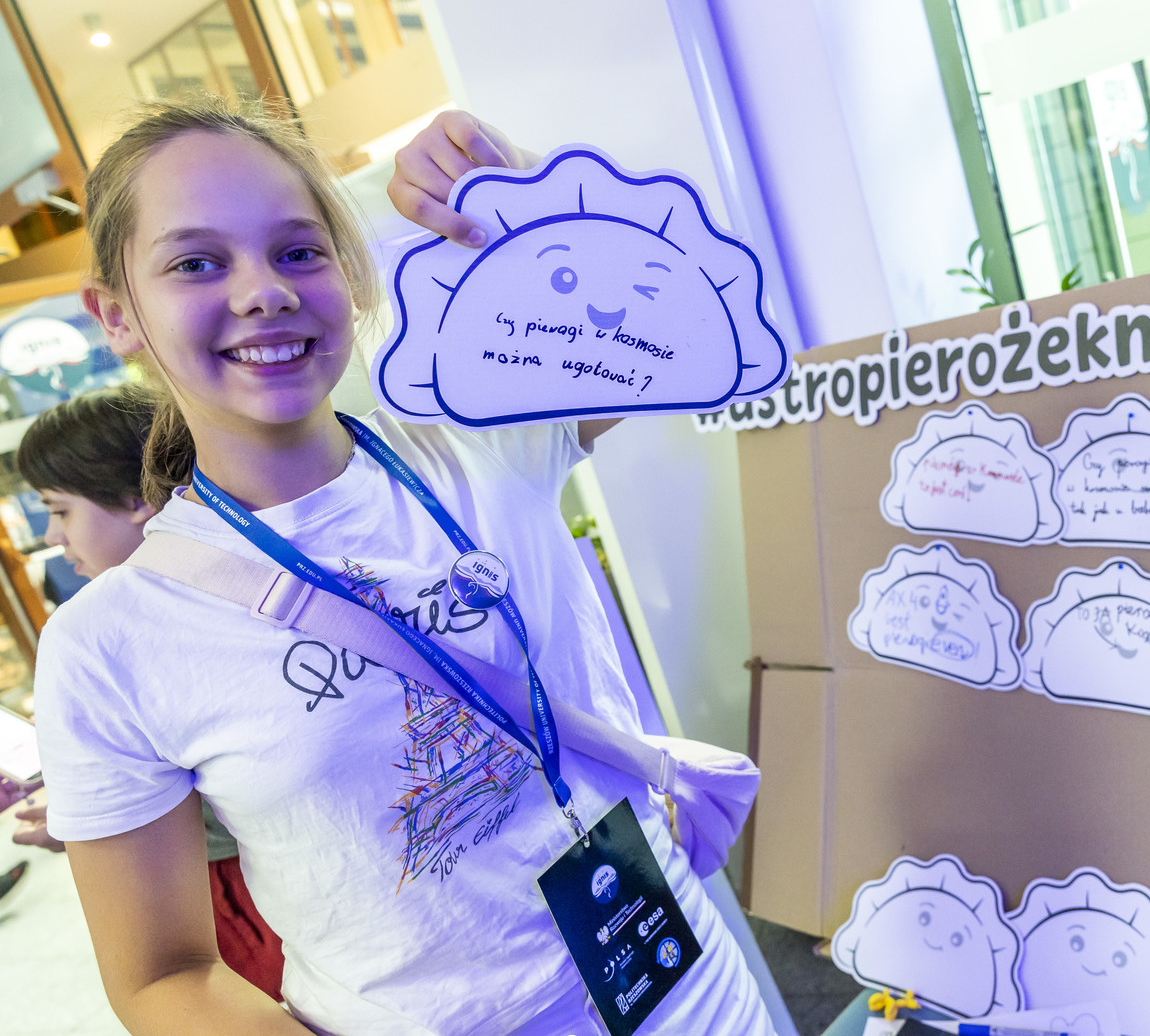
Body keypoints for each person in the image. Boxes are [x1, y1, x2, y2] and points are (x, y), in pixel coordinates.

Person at [32, 98, 776, 1036]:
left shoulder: (483, 434)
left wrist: (513, 187)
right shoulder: (108, 645)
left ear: (351, 273)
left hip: (686, 985)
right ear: (117, 315)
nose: (264, 291)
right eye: (196, 263)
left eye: (299, 250)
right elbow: (160, 976)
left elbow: (687, 312)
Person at [12, 383, 288, 1000]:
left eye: (61, 510)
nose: (53, 537)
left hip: (245, 896)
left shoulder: (121, 631)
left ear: (137, 499)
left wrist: (106, 832)